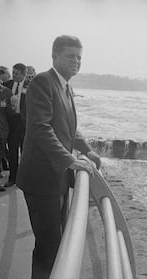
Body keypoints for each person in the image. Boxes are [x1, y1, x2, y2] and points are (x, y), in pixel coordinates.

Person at [16, 35, 101, 279]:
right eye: (70, 56)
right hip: (41, 179)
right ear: (54, 56)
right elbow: (40, 127)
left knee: (58, 241)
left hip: (58, 177)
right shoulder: (43, 82)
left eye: (79, 57)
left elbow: (69, 128)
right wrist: (70, 159)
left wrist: (87, 150)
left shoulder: (65, 86)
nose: (76, 61)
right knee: (48, 246)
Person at [3, 63, 27, 187]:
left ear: (24, 73)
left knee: (25, 152)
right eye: (13, 73)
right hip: (12, 123)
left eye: (17, 73)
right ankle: (12, 178)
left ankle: (24, 178)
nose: (14, 75)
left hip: (25, 124)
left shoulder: (31, 86)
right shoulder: (8, 85)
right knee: (12, 151)